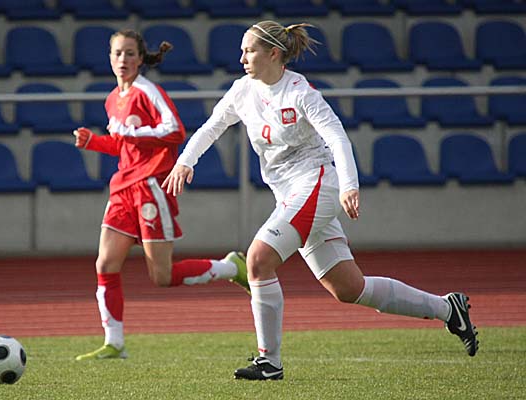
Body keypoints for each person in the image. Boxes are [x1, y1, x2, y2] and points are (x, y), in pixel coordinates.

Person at [163, 20, 479, 380]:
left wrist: (349, 185)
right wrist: (185, 162)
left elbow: (337, 136)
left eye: (249, 50)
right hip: (291, 195)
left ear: (274, 54)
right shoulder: (242, 90)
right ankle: (448, 309)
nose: (242, 58)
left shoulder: (300, 92)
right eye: (242, 51)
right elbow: (212, 127)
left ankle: (269, 362)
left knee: (258, 259)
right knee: (350, 288)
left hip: (317, 184)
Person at [72, 29, 249, 361]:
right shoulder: (112, 98)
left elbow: (175, 131)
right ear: (109, 58)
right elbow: (124, 144)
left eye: (129, 53)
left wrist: (131, 132)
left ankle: (230, 267)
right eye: (117, 53)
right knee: (105, 263)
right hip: (123, 188)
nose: (123, 59)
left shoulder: (148, 92)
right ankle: (115, 343)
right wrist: (94, 142)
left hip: (151, 187)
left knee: (161, 276)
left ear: (141, 58)